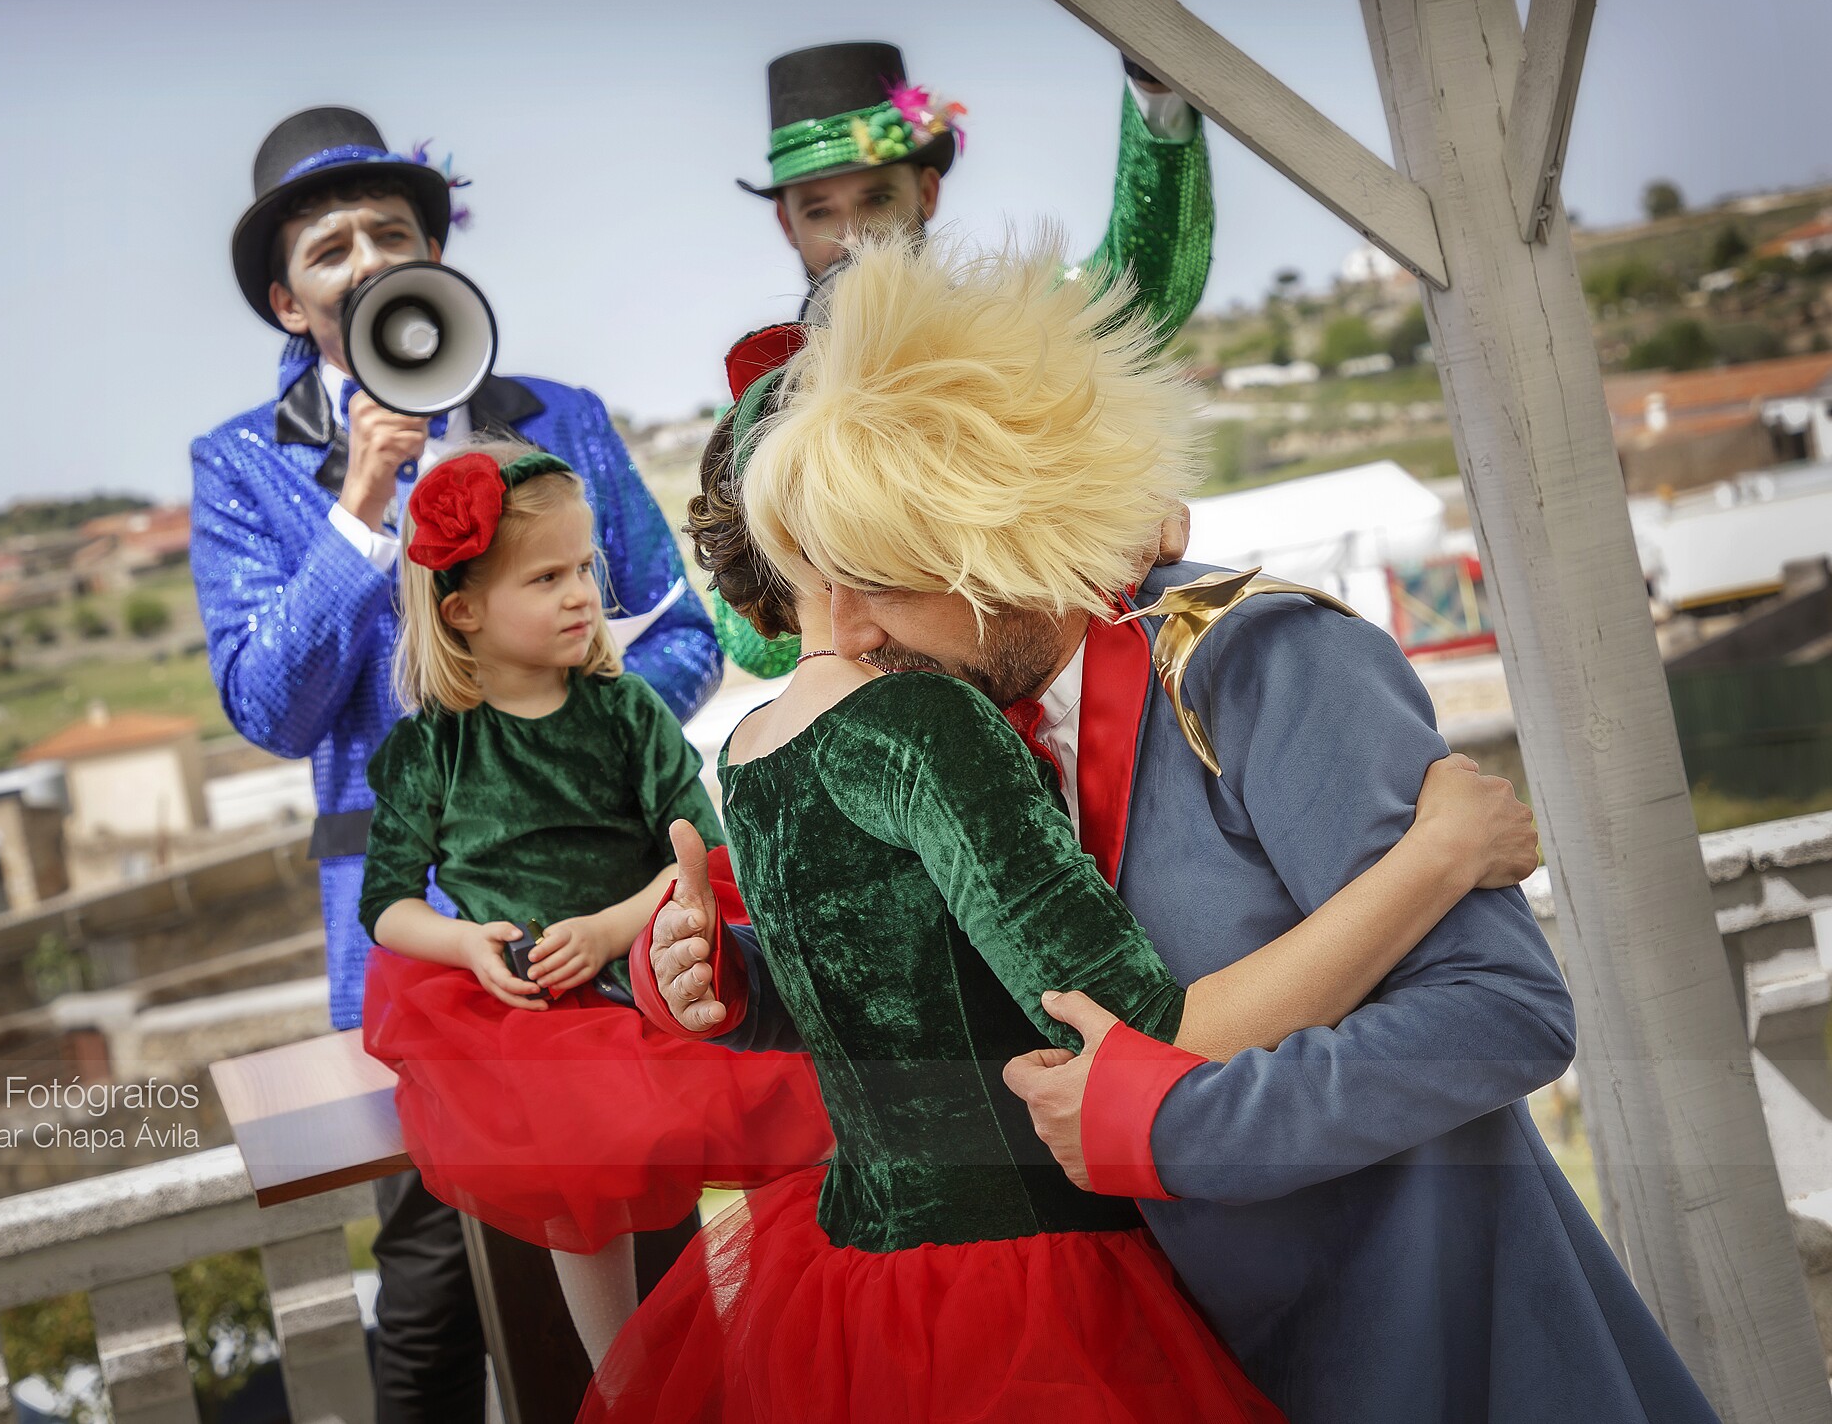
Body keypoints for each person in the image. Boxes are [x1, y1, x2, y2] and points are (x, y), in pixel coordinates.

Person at [645, 234, 1723, 1424]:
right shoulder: (947, 723)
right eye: (820, 585)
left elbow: (1501, 1010)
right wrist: (748, 984)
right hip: (1159, 1353)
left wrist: (1167, 1124)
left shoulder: (1259, 660)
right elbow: (1000, 993)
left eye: (879, 583)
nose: (844, 635)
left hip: (1412, 1344)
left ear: (991, 540)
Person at [189, 107, 721, 1419]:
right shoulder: (243, 469)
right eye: (331, 250)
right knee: (430, 1283)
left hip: (597, 916)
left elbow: (688, 636)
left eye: (392, 233)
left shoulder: (564, 417)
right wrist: (358, 511)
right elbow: (270, 705)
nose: (367, 261)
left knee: (650, 1247)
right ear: (288, 298)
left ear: (437, 251)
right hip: (413, 937)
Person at [356, 442, 831, 1368]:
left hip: (651, 967)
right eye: (546, 578)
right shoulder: (430, 752)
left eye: (584, 568)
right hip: (527, 1006)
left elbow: (700, 848)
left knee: (786, 1101)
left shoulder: (626, 713)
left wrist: (617, 927)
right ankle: (627, 1379)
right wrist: (463, 945)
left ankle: (788, 1332)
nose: (580, 593)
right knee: (574, 1163)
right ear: (463, 611)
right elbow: (386, 905)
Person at [711, 0, 1212, 677]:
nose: (852, 236)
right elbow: (749, 641)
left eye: (876, 199)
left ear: (928, 193)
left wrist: (1154, 58)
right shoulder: (756, 407)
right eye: (820, 210)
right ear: (786, 225)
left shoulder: (1011, 325)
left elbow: (1144, 281)